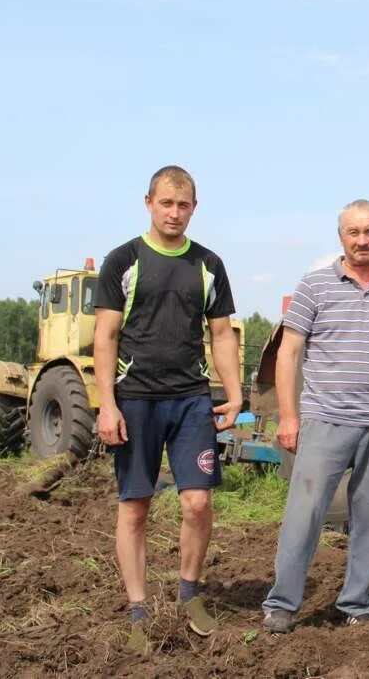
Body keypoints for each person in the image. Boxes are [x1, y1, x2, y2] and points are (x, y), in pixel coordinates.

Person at [94, 165, 242, 655]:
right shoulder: (123, 261)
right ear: (149, 203)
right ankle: (138, 610)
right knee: (135, 506)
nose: (174, 213)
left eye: (183, 205)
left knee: (197, 502)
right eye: (166, 204)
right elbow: (106, 336)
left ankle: (189, 593)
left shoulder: (208, 264)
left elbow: (221, 334)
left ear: (194, 208)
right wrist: (107, 405)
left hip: (190, 400)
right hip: (135, 399)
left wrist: (236, 393)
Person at [262, 199, 369, 633]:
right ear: (341, 237)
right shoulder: (314, 286)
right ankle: (282, 603)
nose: (362, 240)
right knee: (305, 512)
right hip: (324, 418)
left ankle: (356, 602)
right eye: (354, 232)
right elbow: (289, 352)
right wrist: (289, 417)